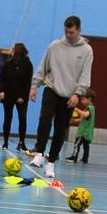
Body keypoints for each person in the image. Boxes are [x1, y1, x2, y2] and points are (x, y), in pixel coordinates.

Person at [28, 15, 93, 179]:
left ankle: (51, 163)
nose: (68, 35)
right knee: (44, 120)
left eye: (71, 32)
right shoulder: (54, 46)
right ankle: (40, 153)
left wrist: (78, 94)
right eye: (66, 31)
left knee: (60, 129)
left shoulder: (86, 51)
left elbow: (85, 76)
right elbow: (43, 67)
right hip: (51, 89)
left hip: (70, 95)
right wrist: (34, 86)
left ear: (78, 30)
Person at [0, 42, 32, 151]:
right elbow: (1, 79)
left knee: (22, 118)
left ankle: (21, 142)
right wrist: (1, 91)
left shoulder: (27, 64)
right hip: (8, 96)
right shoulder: (8, 63)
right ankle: (5, 142)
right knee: (7, 118)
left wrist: (22, 96)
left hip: (21, 97)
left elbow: (28, 82)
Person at [70, 93, 94, 163]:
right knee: (86, 146)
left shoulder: (90, 108)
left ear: (89, 99)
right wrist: (74, 120)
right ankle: (85, 158)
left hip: (83, 132)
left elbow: (85, 115)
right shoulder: (90, 108)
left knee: (77, 144)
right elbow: (83, 118)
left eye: (83, 99)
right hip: (87, 132)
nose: (82, 101)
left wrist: (77, 109)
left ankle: (74, 157)